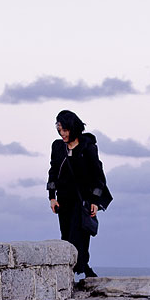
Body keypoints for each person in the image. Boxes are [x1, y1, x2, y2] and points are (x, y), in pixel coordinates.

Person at [47, 110, 112, 280]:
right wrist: (52, 197)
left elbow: (99, 178)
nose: (62, 134)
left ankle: (83, 267)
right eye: (59, 130)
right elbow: (53, 172)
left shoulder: (88, 147)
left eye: (65, 130)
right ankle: (75, 271)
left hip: (82, 200)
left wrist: (95, 202)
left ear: (73, 128)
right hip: (63, 200)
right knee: (66, 236)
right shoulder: (57, 147)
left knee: (79, 236)